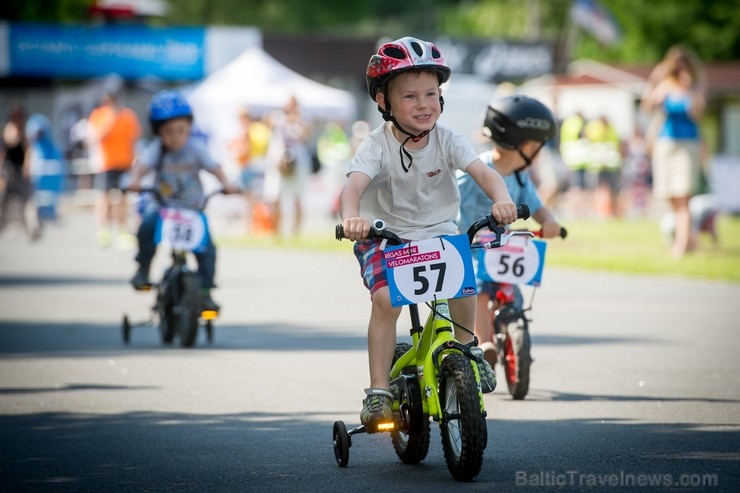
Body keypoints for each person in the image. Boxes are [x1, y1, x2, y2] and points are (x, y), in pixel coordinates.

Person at [338, 37, 517, 428]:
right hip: (385, 236)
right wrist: (352, 218)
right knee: (386, 300)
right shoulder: (376, 145)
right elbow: (352, 187)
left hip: (437, 232)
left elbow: (484, 173)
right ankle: (378, 391)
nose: (423, 104)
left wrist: (501, 200)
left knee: (462, 280)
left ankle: (468, 349)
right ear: (383, 102)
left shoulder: (447, 139)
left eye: (431, 94)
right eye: (410, 96)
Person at [457, 94, 562, 370]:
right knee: (478, 285)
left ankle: (510, 320)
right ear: (525, 145)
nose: (538, 153)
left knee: (511, 290)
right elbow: (447, 195)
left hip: (501, 248)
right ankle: (484, 340)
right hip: (469, 248)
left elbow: (538, 206)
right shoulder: (476, 169)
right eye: (538, 147)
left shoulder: (519, 176)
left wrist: (549, 222)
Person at [127, 90, 238, 312]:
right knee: (147, 226)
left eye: (181, 130)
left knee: (208, 247)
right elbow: (142, 166)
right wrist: (136, 181)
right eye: (168, 132)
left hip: (192, 209)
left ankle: (205, 291)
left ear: (189, 128)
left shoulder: (195, 149)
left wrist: (227, 184)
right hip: (163, 207)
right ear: (158, 132)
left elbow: (214, 167)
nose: (175, 136)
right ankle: (143, 268)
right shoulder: (156, 150)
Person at [641, 44, 705, 258]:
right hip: (665, 144)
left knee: (683, 196)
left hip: (687, 145)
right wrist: (654, 81)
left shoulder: (694, 88)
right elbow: (647, 107)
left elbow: (698, 115)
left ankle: (681, 244)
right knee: (670, 195)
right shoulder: (664, 86)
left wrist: (687, 90)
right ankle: (689, 239)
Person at [88, 91, 141, 248]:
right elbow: (96, 136)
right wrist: (110, 119)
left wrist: (134, 159)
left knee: (122, 198)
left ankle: (122, 229)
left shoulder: (128, 115)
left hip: (124, 162)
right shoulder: (98, 115)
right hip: (106, 163)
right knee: (103, 196)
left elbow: (134, 138)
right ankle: (103, 231)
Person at [0, 103, 39, 240]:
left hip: (20, 171)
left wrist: (27, 166)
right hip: (8, 171)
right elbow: (6, 148)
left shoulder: (24, 132)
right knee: (3, 200)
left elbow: (28, 150)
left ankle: (32, 227)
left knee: (28, 199)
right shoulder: (9, 130)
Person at [229, 107, 271, 234]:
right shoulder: (260, 129)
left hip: (248, 167)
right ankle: (253, 226)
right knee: (254, 199)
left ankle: (249, 226)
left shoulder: (247, 130)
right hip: (259, 166)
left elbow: (243, 150)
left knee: (248, 200)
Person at [583, 114, 623, 218]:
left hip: (611, 164)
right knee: (597, 189)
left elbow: (618, 145)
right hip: (597, 165)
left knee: (613, 189)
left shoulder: (612, 130)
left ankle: (614, 212)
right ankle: (598, 212)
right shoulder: (593, 129)